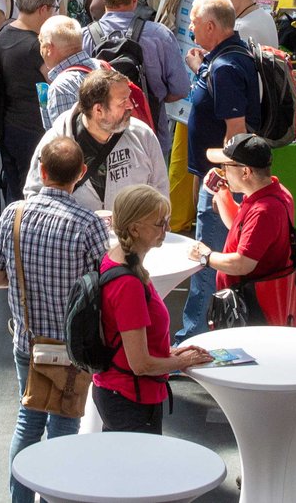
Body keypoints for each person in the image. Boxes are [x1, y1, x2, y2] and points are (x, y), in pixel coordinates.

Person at [0, 134, 109, 499]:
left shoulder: (14, 214)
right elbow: (104, 283)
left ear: (41, 169)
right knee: (65, 426)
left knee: (28, 421)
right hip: (74, 348)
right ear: (82, 173)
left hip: (29, 344)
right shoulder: (89, 224)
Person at [94, 184, 214, 430]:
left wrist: (170, 353)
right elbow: (141, 364)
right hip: (130, 400)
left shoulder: (117, 263)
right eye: (160, 223)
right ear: (135, 228)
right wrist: (183, 361)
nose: (167, 229)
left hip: (123, 394)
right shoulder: (129, 284)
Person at [179, 0, 263, 337]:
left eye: (195, 23)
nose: (191, 28)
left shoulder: (226, 68)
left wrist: (223, 186)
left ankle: (192, 338)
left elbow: (235, 133)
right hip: (220, 178)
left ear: (211, 26)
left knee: (206, 259)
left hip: (221, 181)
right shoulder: (223, 60)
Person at [190, 133, 296, 327]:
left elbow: (243, 263)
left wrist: (206, 257)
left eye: (226, 167)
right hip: (255, 302)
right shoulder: (273, 193)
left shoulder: (263, 211)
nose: (222, 172)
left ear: (246, 172)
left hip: (255, 309)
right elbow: (241, 227)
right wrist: (223, 192)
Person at [26, 65, 170, 211]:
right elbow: (34, 195)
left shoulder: (142, 135)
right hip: (76, 232)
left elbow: (160, 190)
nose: (131, 106)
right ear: (98, 110)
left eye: (129, 98)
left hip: (130, 233)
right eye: (123, 101)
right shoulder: (56, 142)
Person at [82, 0, 192, 137]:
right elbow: (181, 89)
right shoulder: (159, 35)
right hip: (150, 133)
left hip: (100, 137)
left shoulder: (84, 37)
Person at [0, 0, 65, 201]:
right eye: (54, 7)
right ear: (43, 9)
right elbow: (58, 82)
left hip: (8, 128)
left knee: (14, 194)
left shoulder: (3, 33)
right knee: (34, 194)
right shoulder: (37, 47)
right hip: (34, 131)